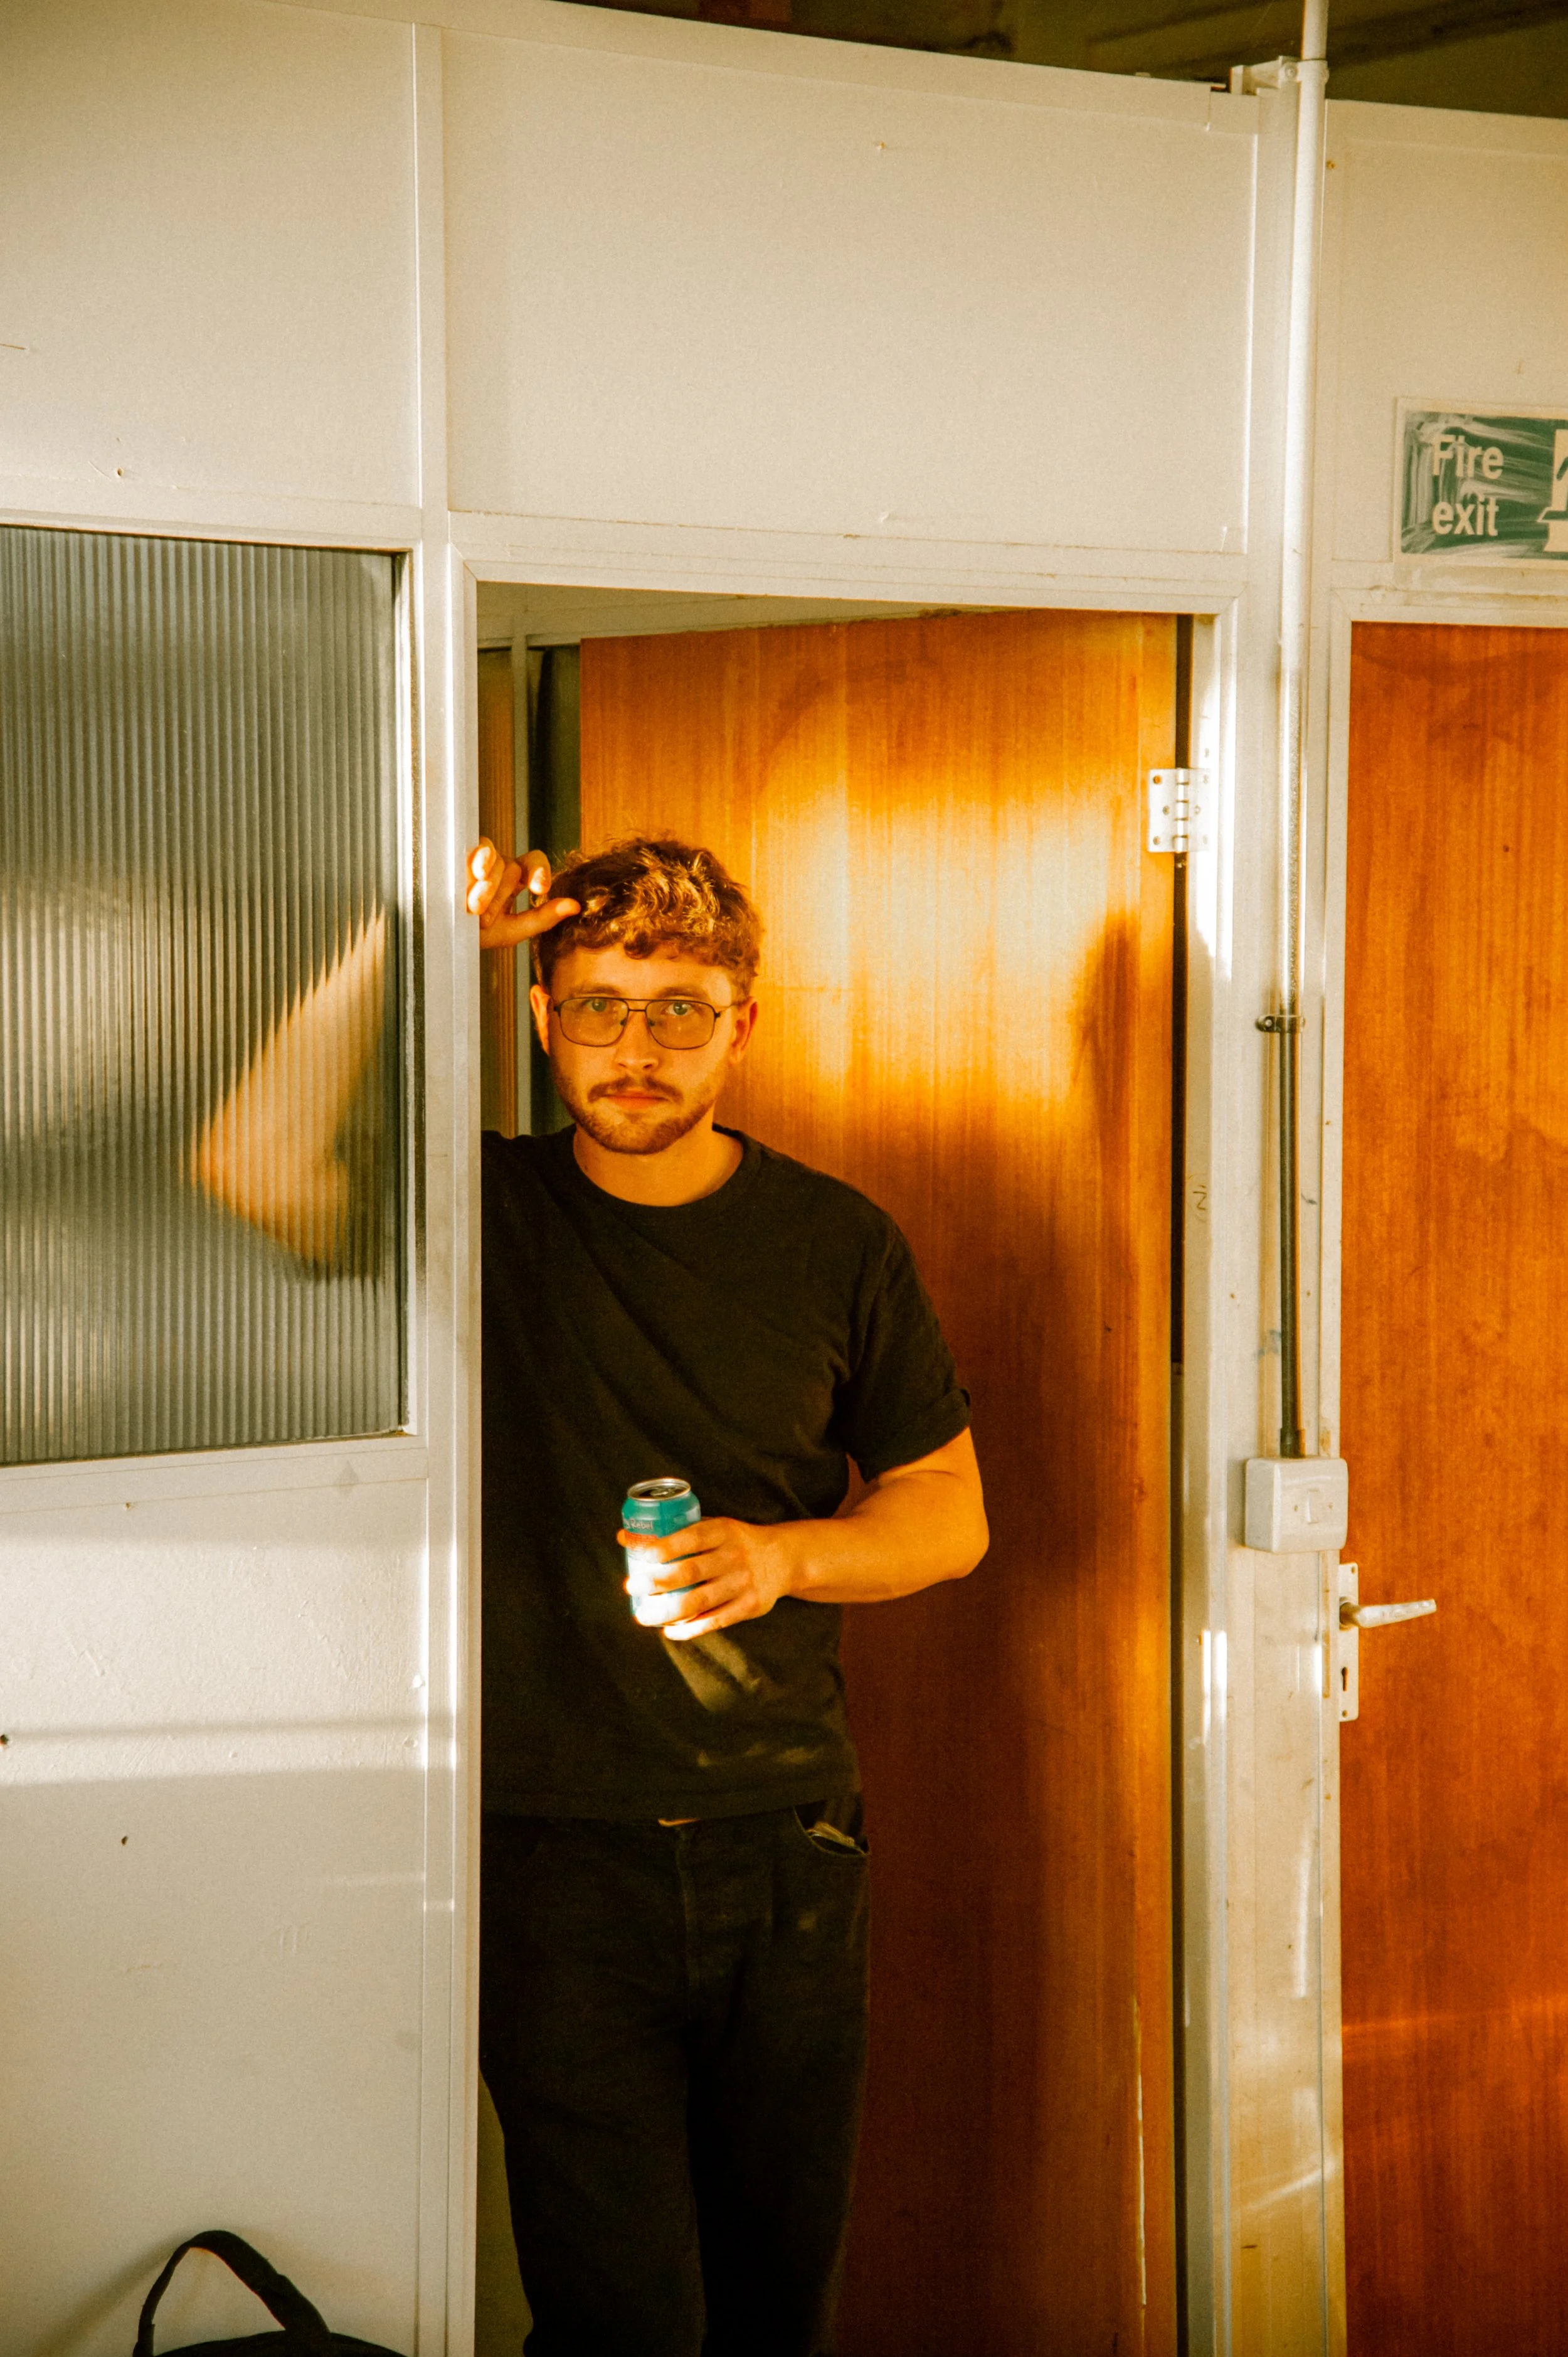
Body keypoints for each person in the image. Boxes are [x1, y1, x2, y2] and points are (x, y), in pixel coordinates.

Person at [469, 830, 986, 2357]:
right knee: (620, 2313)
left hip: (788, 1842)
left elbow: (947, 1516)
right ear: (543, 1016)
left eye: (678, 1008)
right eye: (595, 1005)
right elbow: (249, 1171)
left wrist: (781, 1556)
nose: (634, 1047)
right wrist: (432, 946)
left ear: (742, 1024)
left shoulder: (834, 1241)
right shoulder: (477, 1212)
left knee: (774, 2305)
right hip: (551, 1850)